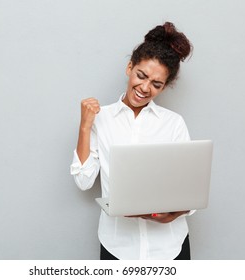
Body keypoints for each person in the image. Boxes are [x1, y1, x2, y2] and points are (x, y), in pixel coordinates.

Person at [70, 22, 194, 260]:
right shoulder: (100, 119)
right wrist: (85, 126)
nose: (144, 88)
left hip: (169, 247)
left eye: (156, 84)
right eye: (141, 75)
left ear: (164, 87)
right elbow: (84, 181)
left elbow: (189, 189)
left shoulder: (173, 123)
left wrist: (176, 213)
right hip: (118, 247)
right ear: (129, 68)